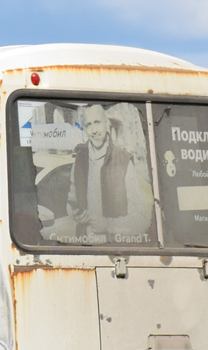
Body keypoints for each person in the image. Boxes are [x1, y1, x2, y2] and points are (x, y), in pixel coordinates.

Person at [60, 103, 153, 245]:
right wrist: (75, 214)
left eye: (97, 122)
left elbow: (141, 220)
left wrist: (109, 225)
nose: (94, 130)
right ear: (84, 128)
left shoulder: (123, 160)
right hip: (82, 249)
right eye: (89, 125)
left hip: (115, 251)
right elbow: (71, 202)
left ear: (106, 123)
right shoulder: (79, 160)